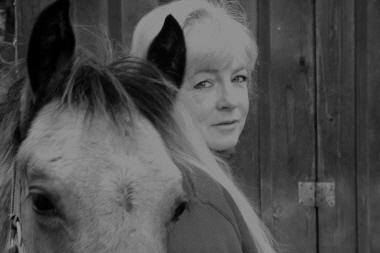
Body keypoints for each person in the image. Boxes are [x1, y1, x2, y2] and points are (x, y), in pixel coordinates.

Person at [129, 0, 277, 252]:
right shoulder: (191, 198)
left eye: (238, 78)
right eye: (204, 84)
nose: (230, 101)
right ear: (158, 92)